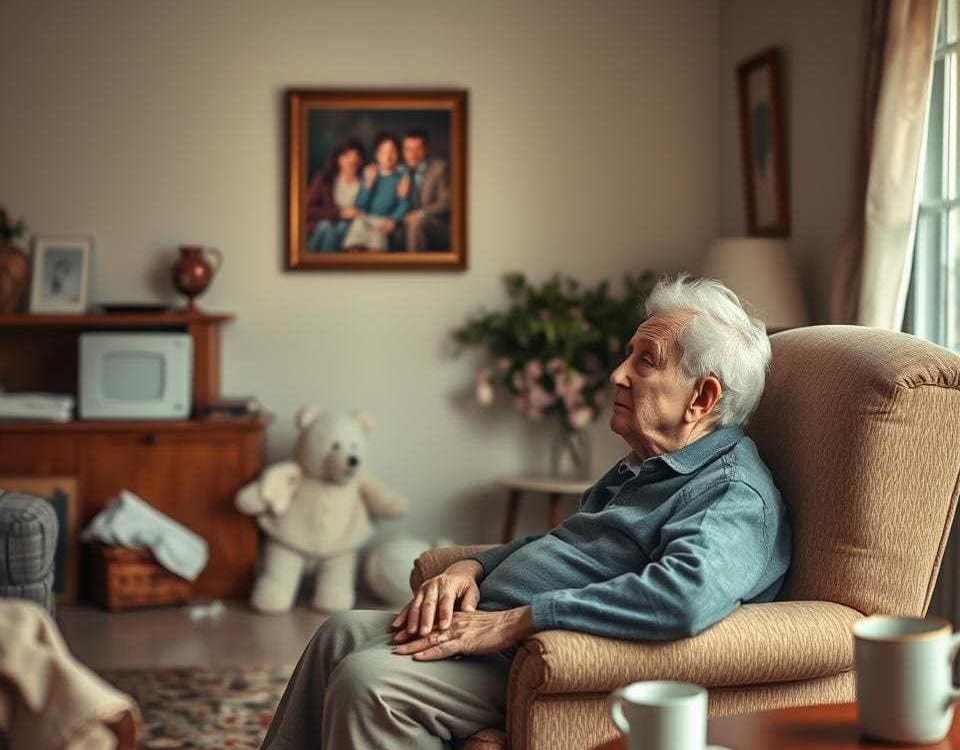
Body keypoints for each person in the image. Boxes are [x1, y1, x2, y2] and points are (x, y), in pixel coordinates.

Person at [261, 274, 791, 750]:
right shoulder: (648, 466)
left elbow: (684, 597)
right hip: (500, 634)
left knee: (369, 684)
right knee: (338, 633)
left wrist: (519, 621)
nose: (616, 374)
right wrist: (474, 568)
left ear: (702, 398)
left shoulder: (732, 495)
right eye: (627, 355)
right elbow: (563, 543)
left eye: (645, 361)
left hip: (542, 659)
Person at [342, 132, 411, 252]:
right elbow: (359, 204)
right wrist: (368, 186)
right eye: (383, 152)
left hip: (384, 220)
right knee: (354, 246)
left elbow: (404, 205)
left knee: (375, 249)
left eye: (392, 152)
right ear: (377, 155)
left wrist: (393, 220)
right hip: (365, 219)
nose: (388, 156)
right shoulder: (370, 172)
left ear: (398, 154)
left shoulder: (402, 177)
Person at [304, 139, 364, 253]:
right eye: (347, 156)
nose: (353, 160)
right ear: (338, 160)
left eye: (356, 155)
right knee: (327, 226)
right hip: (320, 229)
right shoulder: (324, 179)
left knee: (342, 227)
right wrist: (340, 213)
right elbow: (307, 209)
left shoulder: (365, 183)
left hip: (348, 228)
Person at [399, 128, 451, 252]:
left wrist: (420, 213)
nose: (413, 154)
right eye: (408, 149)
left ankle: (414, 268)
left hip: (436, 224)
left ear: (426, 149)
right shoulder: (399, 171)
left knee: (416, 223)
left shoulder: (440, 167)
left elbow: (446, 203)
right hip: (405, 221)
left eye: (418, 149)